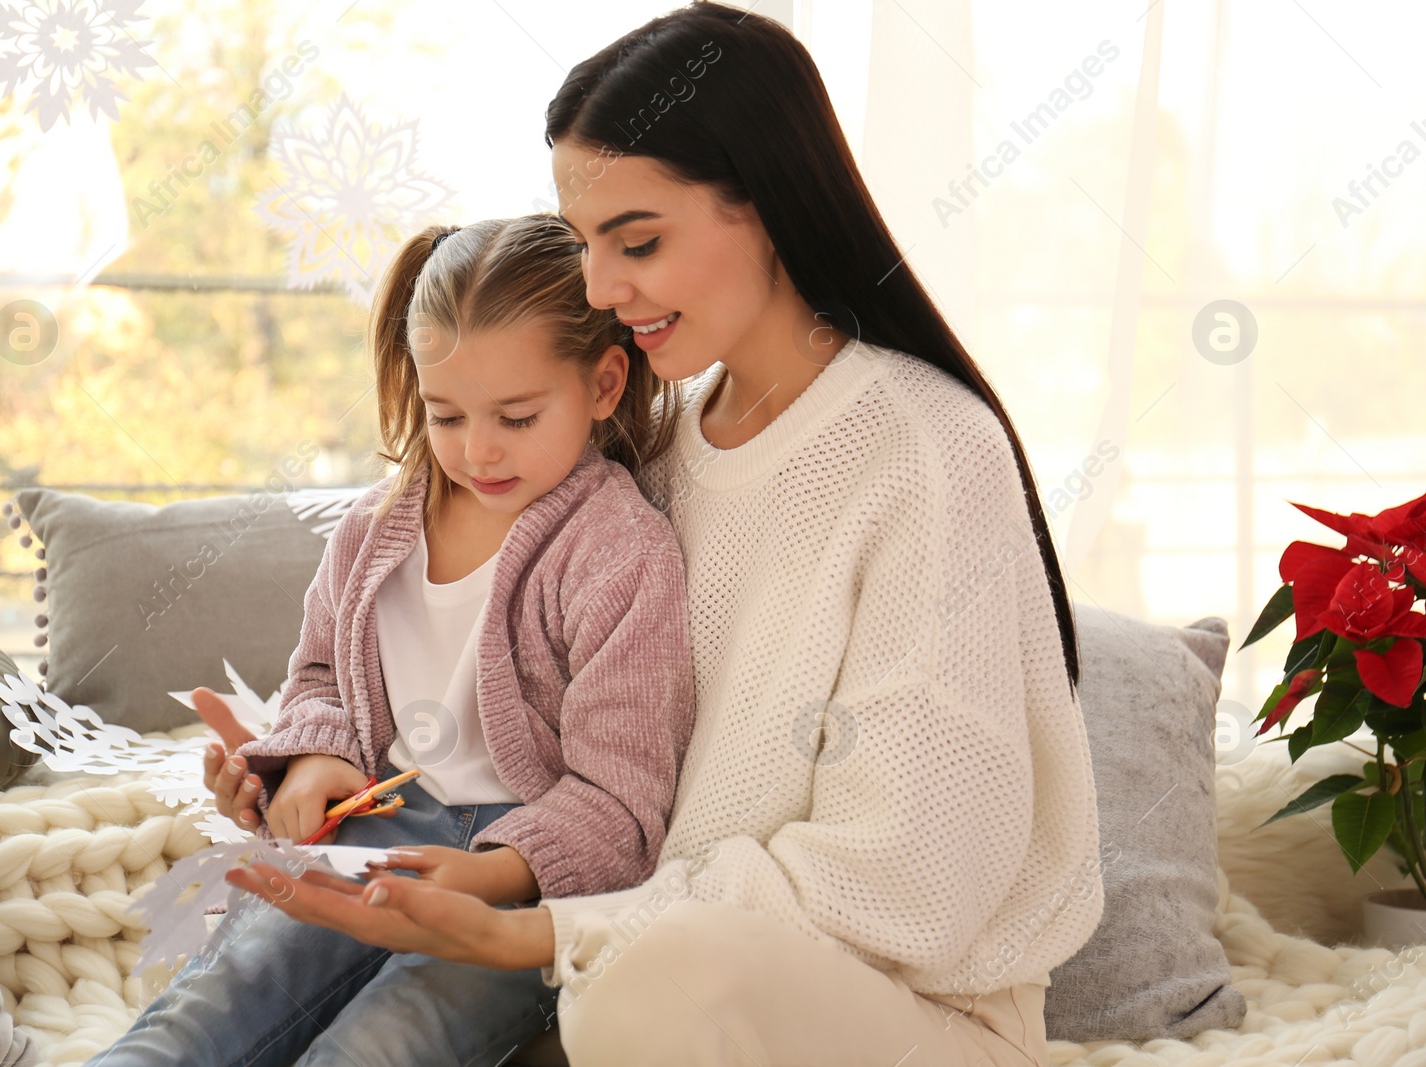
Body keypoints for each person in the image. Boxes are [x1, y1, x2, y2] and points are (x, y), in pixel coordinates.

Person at [224, 4, 1108, 1065]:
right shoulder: (642, 464)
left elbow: (907, 880)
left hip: (897, 1013)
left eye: (636, 241)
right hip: (616, 962)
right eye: (587, 243)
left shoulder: (926, 448)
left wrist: (546, 930)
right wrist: (306, 761)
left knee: (650, 982)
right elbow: (508, 722)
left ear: (768, 203)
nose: (601, 289)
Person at [88, 214, 696, 1067]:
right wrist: (311, 765)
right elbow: (321, 679)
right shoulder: (373, 531)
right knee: (203, 1015)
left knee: (381, 1048)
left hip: (514, 886)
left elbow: (622, 800)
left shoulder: (620, 552)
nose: (477, 450)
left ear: (602, 385)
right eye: (445, 415)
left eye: (517, 417)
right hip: (373, 826)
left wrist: (484, 878)